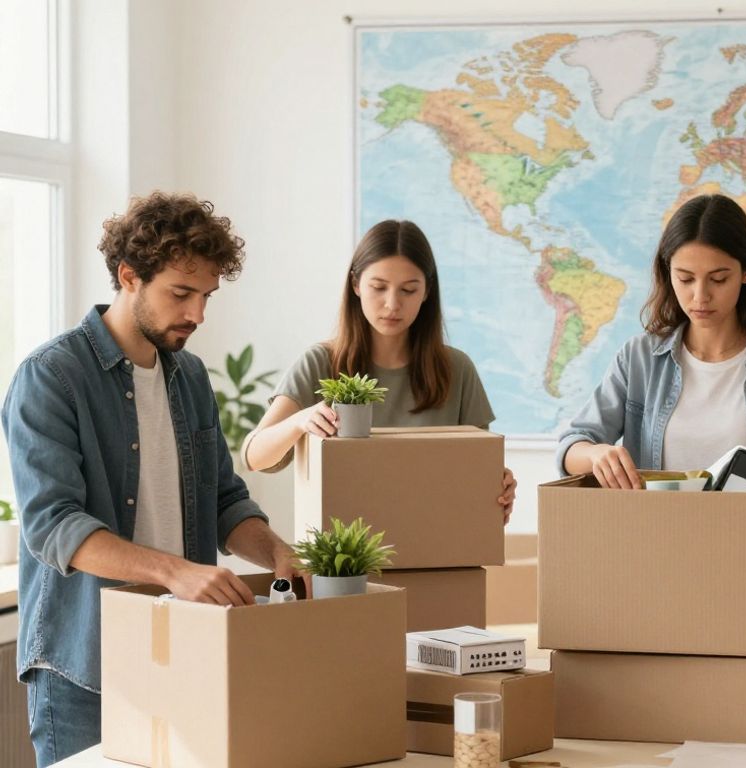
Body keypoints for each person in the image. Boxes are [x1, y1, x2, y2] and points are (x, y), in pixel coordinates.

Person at [1, 192, 304, 766]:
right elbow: (54, 526)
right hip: (85, 664)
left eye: (206, 296)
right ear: (128, 276)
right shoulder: (51, 378)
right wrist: (176, 573)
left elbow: (223, 500)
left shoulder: (188, 376)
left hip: (182, 651)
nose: (197, 314)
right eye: (181, 293)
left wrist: (277, 553)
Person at [557, 194, 746, 632]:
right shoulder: (639, 358)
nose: (700, 295)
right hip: (654, 579)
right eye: (685, 278)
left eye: (718, 278)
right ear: (666, 273)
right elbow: (571, 445)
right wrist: (596, 455)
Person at [243, 219, 516, 519]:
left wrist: (499, 488)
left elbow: (478, 467)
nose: (392, 304)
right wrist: (300, 421)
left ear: (427, 292)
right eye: (379, 287)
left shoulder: (457, 369)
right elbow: (255, 456)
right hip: (345, 559)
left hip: (436, 543)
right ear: (356, 285)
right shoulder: (320, 362)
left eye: (408, 290)